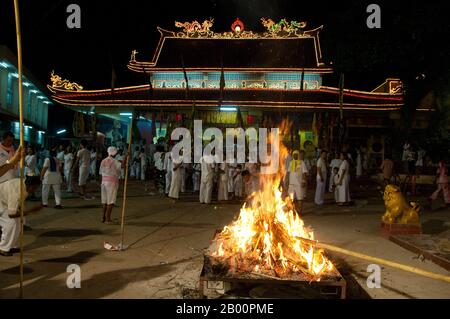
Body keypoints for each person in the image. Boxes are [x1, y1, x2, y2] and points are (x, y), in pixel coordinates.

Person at [0, 177, 42, 256]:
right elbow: (11, 214)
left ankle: (11, 245)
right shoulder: (17, 192)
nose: (35, 190)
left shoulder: (24, 185)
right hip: (1, 204)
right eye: (35, 188)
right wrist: (30, 211)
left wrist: (23, 211)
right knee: (11, 223)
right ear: (30, 186)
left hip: (5, 201)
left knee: (19, 221)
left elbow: (19, 202)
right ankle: (2, 248)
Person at [100, 147, 124, 224]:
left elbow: (100, 173)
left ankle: (103, 217)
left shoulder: (103, 161)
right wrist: (126, 157)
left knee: (105, 201)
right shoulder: (115, 161)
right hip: (112, 182)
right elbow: (122, 166)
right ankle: (108, 219)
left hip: (104, 181)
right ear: (115, 153)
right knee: (111, 201)